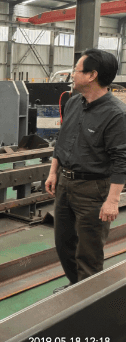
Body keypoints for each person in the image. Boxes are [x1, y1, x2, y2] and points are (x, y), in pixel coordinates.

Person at [45, 48, 126, 293]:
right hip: (65, 183)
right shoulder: (73, 102)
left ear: (92, 75)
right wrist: (53, 172)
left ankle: (88, 302)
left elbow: (121, 160)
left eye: (76, 70)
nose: (72, 74)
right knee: (64, 244)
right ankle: (76, 288)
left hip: (93, 189)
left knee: (89, 252)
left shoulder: (116, 114)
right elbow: (62, 140)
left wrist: (112, 201)